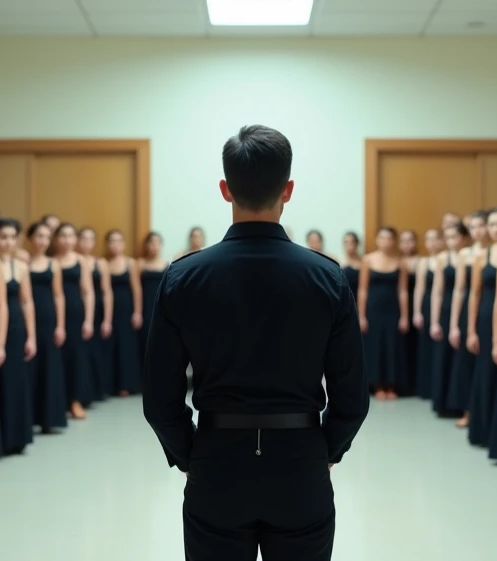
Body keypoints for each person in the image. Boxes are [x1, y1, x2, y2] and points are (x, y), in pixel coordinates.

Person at [142, 125, 369, 561]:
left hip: (217, 461)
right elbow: (352, 396)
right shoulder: (327, 277)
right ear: (288, 189)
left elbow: (159, 399)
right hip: (300, 461)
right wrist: (327, 451)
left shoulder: (183, 278)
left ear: (225, 190)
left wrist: (191, 457)